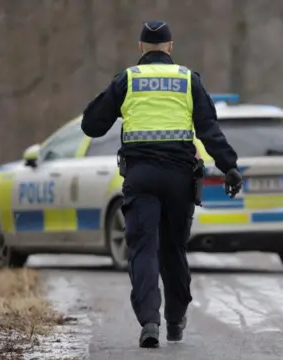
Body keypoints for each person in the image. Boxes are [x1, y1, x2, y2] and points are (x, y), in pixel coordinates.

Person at [80, 20, 243, 348]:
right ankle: (175, 321)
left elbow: (91, 126)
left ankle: (150, 322)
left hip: (141, 177)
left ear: (141, 47)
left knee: (142, 248)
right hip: (180, 178)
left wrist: (112, 103)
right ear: (170, 47)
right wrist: (230, 167)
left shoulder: (128, 80)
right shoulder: (188, 80)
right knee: (174, 249)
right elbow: (209, 129)